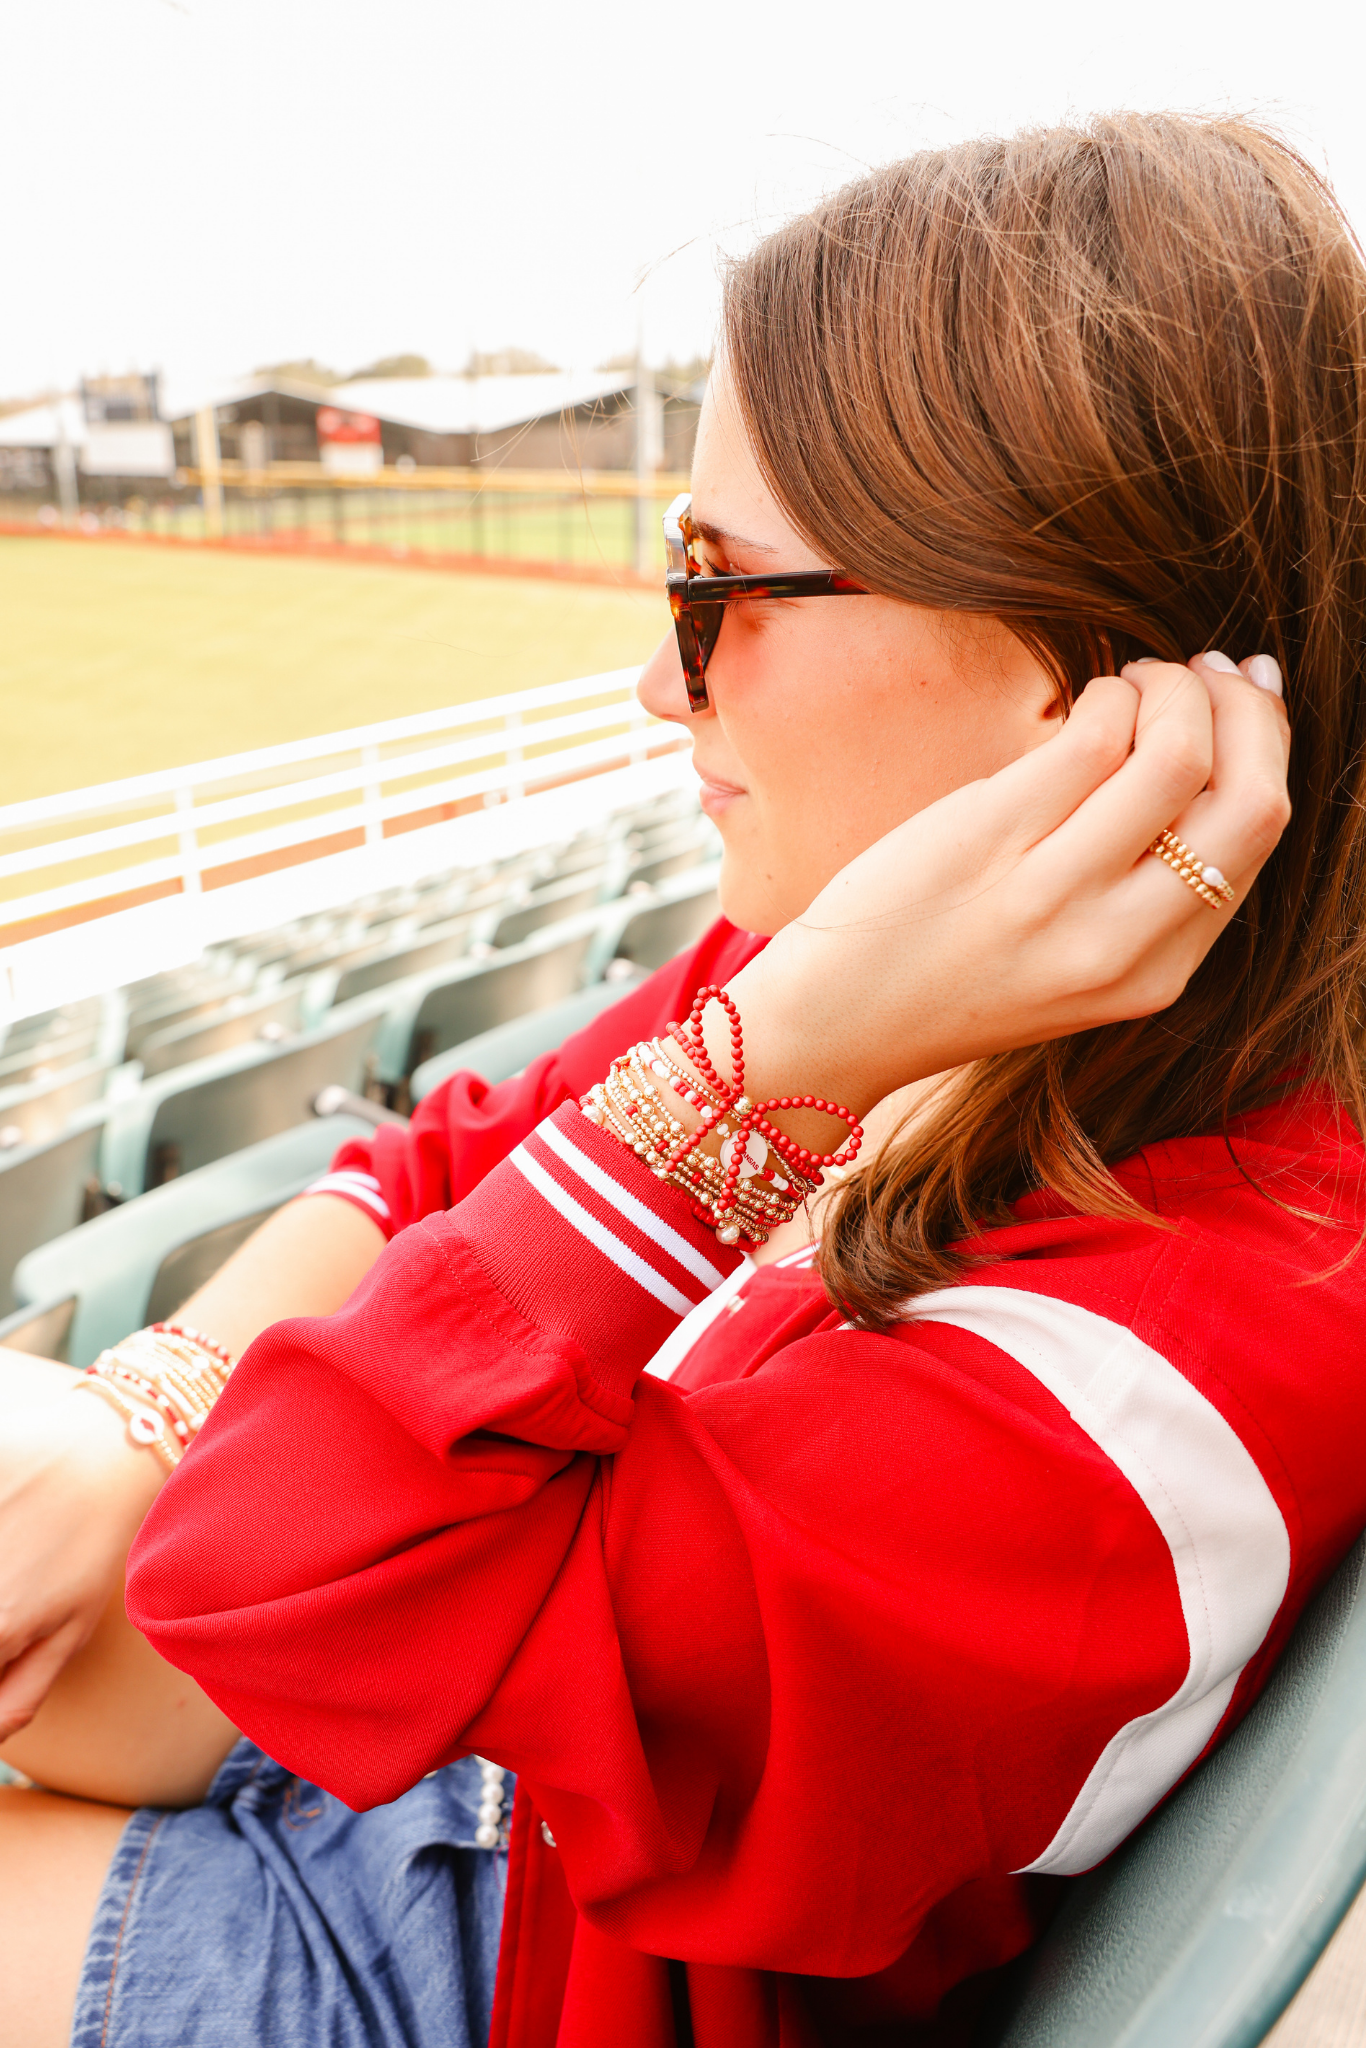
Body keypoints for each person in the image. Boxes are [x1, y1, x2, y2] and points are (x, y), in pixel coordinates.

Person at [1, 108, 1362, 2048]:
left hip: (489, 1940)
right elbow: (422, 1165)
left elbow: (277, 1551)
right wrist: (144, 1411)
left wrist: (774, 1065)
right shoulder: (876, 981)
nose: (661, 680)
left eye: (715, 589)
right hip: (419, 1726)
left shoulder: (1139, 1389)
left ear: (1077, 691)